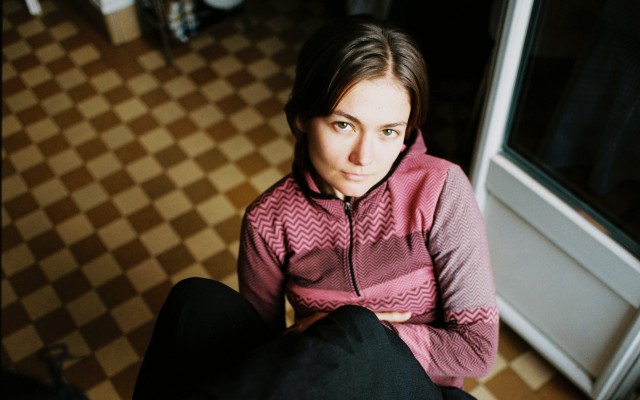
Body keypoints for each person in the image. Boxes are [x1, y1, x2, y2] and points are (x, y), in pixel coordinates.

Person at [133, 15, 498, 400]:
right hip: (318, 387)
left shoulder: (440, 190)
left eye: (388, 132)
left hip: (421, 392)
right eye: (344, 125)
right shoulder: (269, 219)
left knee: (356, 328)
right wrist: (314, 338)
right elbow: (264, 348)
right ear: (302, 118)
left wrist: (348, 333)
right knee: (195, 300)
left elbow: (476, 350)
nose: (364, 157)